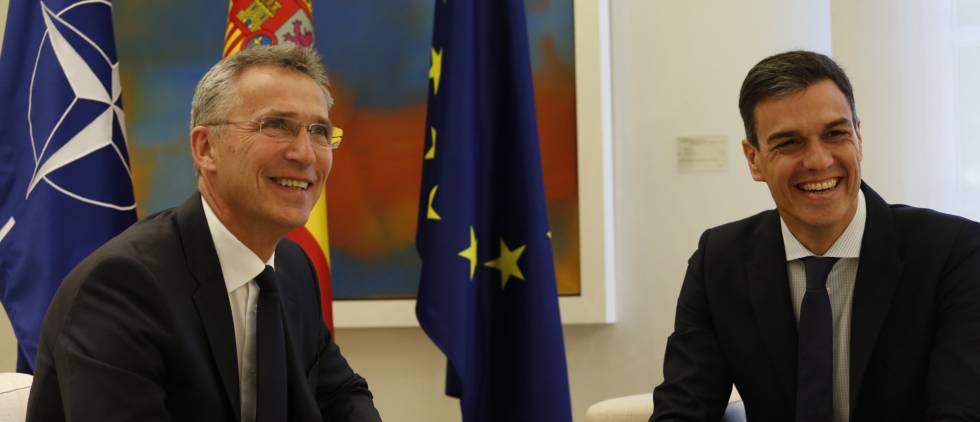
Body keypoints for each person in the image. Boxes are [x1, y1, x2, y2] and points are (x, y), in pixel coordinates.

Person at [26, 45, 382, 421]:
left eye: (319, 131)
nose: (306, 154)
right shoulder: (121, 287)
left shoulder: (293, 268)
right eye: (276, 125)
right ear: (206, 147)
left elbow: (342, 395)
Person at [652, 50, 980, 421]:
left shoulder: (955, 253)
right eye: (789, 142)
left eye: (835, 133)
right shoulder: (718, 262)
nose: (818, 161)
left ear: (858, 136)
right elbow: (684, 407)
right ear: (753, 158)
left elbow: (961, 412)